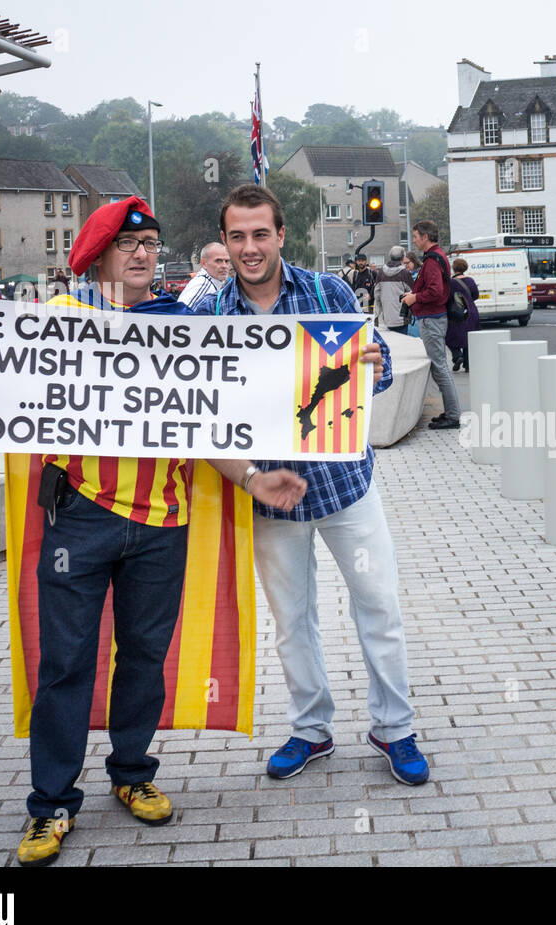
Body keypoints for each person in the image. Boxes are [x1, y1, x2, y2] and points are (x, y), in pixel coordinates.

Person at [0, 196, 306, 867]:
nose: (142, 252)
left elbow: (210, 417)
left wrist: (255, 478)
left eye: (150, 241)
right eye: (126, 243)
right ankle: (51, 803)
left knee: (144, 658)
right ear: (97, 256)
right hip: (79, 518)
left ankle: (132, 773)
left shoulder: (183, 325)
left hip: (164, 522)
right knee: (65, 664)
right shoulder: (61, 320)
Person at [194, 184, 429, 789]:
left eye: (260, 234)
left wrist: (373, 365)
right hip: (270, 496)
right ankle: (310, 729)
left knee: (378, 603)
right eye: (237, 236)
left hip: (344, 485)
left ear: (280, 236)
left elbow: (367, 380)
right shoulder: (209, 318)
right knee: (291, 619)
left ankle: (394, 728)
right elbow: (199, 411)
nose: (249, 248)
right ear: (225, 240)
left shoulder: (327, 291)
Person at [402, 220, 461, 429]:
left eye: (416, 236)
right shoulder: (435, 257)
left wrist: (414, 298)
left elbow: (435, 291)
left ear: (425, 237)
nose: (415, 240)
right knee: (440, 366)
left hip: (432, 318)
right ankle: (450, 412)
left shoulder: (433, 260)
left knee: (440, 367)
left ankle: (453, 416)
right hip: (433, 317)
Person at [447, 256, 481, 372]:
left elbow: (447, 298)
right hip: (471, 312)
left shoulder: (451, 282)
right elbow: (476, 295)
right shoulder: (470, 280)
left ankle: (457, 356)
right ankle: (468, 364)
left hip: (456, 313)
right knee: (469, 338)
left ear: (453, 268)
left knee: (450, 336)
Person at [178, 241, 231, 309]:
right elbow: (181, 315)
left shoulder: (212, 283)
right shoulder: (203, 284)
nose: (224, 266)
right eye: (218, 261)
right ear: (204, 264)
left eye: (227, 261)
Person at [374, 245, 414, 334]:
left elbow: (376, 295)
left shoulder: (381, 272)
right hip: (402, 317)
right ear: (403, 258)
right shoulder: (405, 273)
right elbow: (413, 293)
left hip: (386, 317)